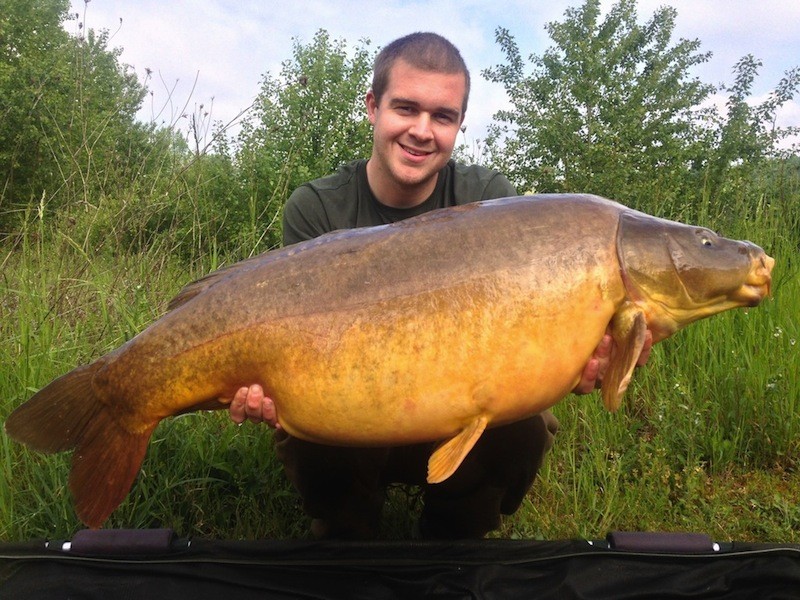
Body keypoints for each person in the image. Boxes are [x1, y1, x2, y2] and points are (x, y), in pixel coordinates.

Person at [225, 32, 652, 539]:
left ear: (459, 125)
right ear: (372, 107)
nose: (422, 130)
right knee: (309, 437)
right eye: (406, 108)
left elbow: (522, 333)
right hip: (356, 415)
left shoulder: (489, 201)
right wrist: (261, 386)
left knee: (526, 427)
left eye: (443, 117)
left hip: (455, 413)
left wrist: (584, 359)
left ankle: (455, 534)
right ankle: (346, 528)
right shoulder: (318, 209)